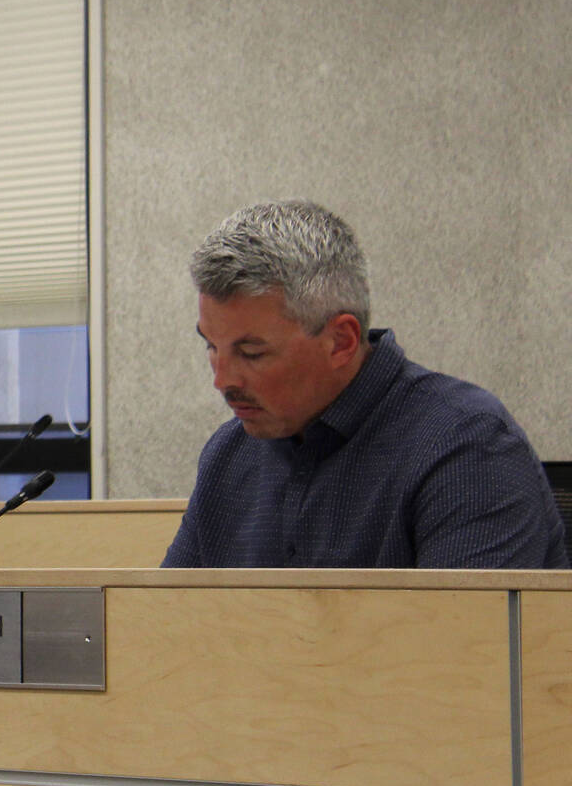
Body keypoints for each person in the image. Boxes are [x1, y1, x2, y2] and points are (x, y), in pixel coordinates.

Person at [163, 200, 567, 569]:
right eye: (211, 346)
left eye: (251, 353)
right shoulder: (229, 454)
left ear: (341, 340)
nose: (222, 380)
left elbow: (466, 643)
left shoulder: (467, 446)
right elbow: (165, 626)